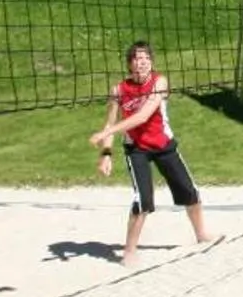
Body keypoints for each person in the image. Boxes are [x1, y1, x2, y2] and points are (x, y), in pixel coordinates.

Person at [88, 41, 220, 266]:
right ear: (130, 64)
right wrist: (106, 153)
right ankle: (129, 251)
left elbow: (142, 116)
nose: (142, 63)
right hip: (136, 149)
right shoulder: (118, 90)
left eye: (146, 58)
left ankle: (201, 234)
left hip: (163, 145)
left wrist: (106, 133)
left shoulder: (160, 82)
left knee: (189, 191)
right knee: (143, 201)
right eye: (137, 59)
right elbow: (110, 121)